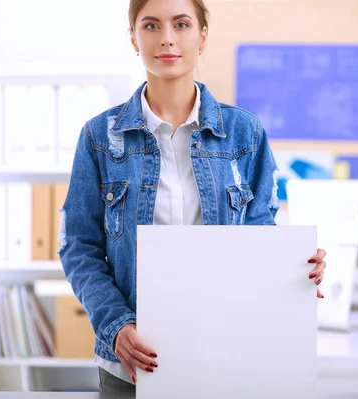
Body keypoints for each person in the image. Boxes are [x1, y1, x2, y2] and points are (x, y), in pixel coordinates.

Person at [58, 0, 327, 393]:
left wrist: (296, 268)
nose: (166, 39)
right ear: (134, 37)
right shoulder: (100, 137)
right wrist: (117, 326)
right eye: (151, 26)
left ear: (202, 35)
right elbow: (78, 245)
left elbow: (258, 241)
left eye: (181, 24)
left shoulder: (245, 134)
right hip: (130, 366)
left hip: (223, 357)